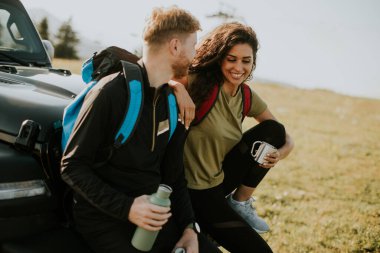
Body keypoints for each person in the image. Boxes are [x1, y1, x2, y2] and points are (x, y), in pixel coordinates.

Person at [61, 6, 220, 253]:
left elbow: (174, 175)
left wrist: (190, 228)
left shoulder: (171, 101)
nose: (195, 56)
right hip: (105, 220)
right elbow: (72, 166)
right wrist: (128, 208)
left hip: (153, 217)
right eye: (193, 47)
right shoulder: (110, 93)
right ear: (175, 46)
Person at [184, 22, 295, 252]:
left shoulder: (245, 95)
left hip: (219, 183)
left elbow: (282, 135)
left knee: (273, 129)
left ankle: (239, 202)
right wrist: (176, 87)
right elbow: (161, 80)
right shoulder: (197, 83)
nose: (239, 67)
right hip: (189, 191)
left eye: (246, 60)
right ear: (219, 57)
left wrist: (280, 154)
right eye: (231, 59)